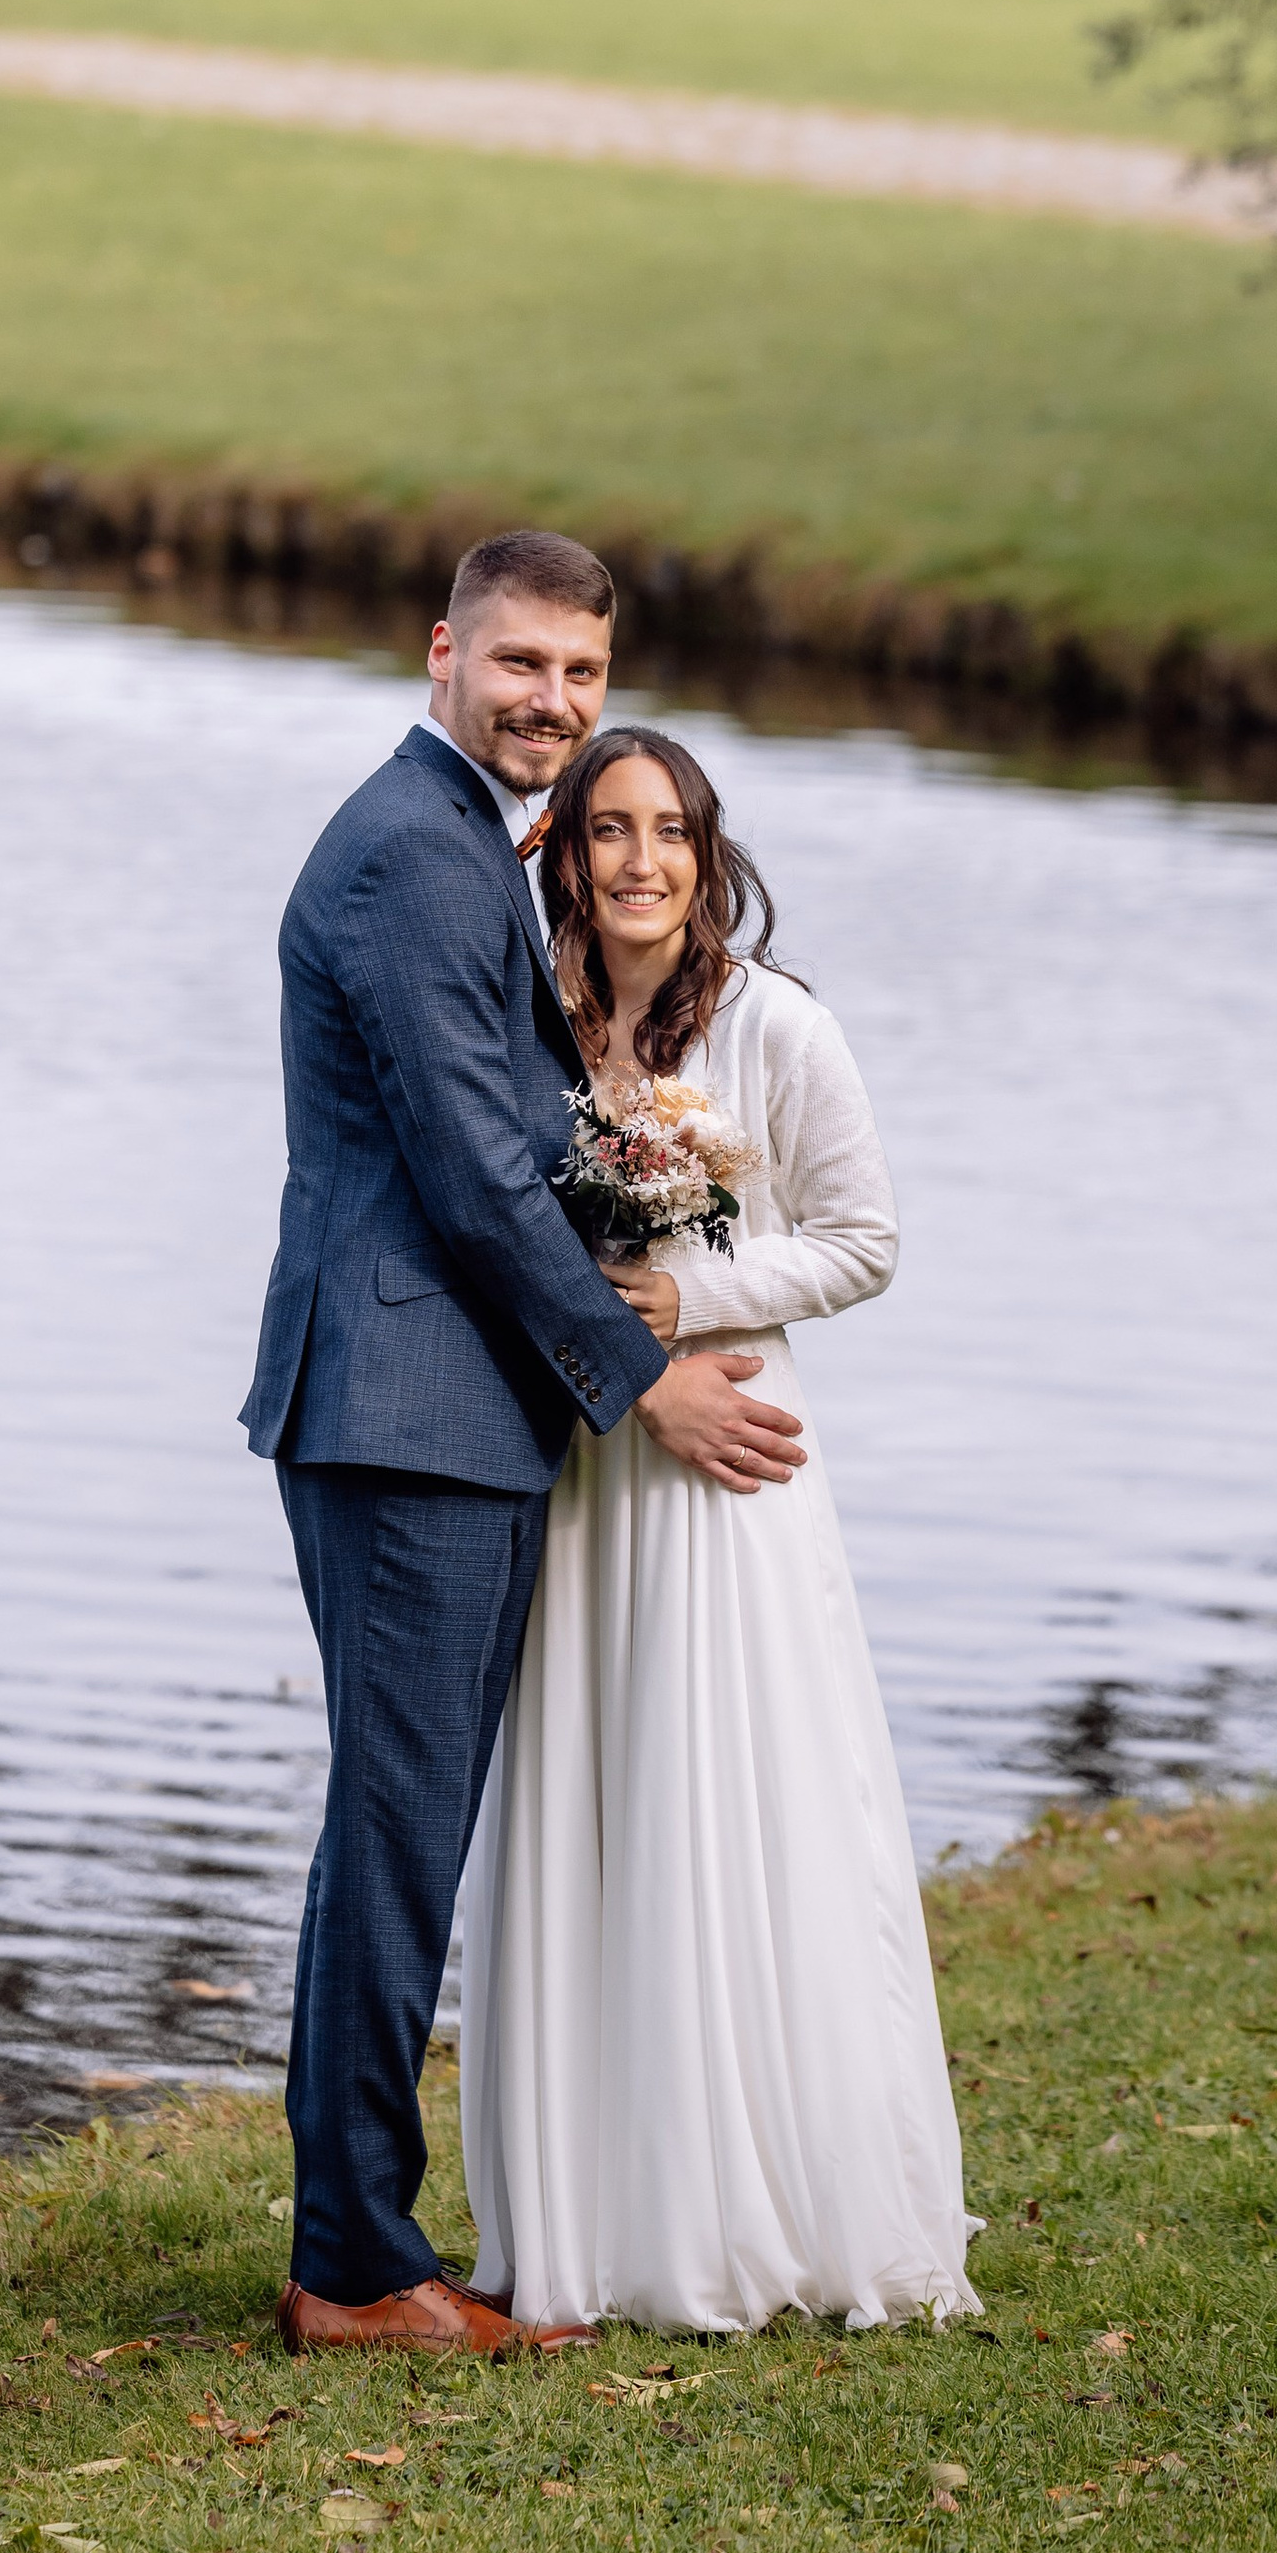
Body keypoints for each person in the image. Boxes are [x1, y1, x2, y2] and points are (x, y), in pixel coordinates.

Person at [242, 531, 809, 2358]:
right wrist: (644, 1379)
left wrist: (688, 1224)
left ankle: (359, 2236)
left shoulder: (472, 850)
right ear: (442, 655)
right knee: (399, 1832)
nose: (552, 702)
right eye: (520, 668)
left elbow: (530, 1135)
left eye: (580, 671)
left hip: (444, 1411)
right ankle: (354, 2268)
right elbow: (475, 1181)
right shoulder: (412, 857)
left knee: (394, 1828)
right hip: (407, 1411)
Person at [458, 725, 979, 2334]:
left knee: (735, 1797)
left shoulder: (776, 1024)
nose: (638, 862)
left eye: (667, 832)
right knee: (589, 1802)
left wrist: (694, 1295)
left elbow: (863, 1239)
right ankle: (587, 2216)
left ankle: (755, 2202)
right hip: (583, 1467)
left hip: (730, 1465)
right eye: (606, 832)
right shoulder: (523, 1020)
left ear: (707, 852)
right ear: (564, 853)